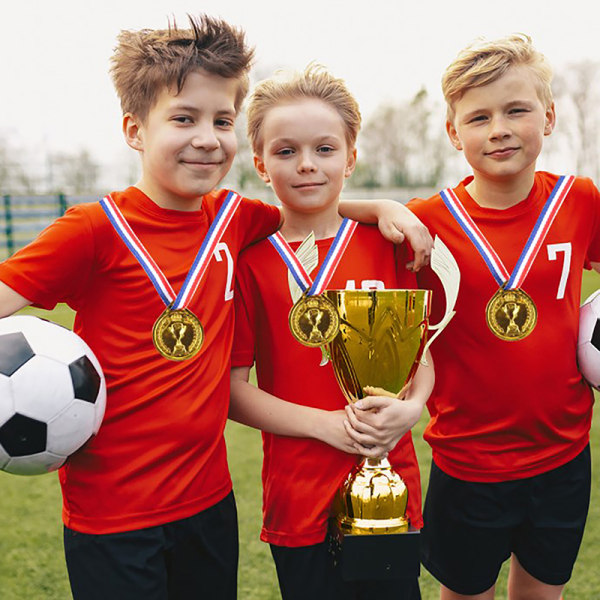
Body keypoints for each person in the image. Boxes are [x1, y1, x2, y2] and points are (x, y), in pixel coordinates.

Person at [0, 15, 432, 600]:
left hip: (208, 506)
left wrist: (380, 205)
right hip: (113, 513)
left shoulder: (234, 220)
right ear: (134, 130)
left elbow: (309, 203)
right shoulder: (91, 231)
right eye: (184, 118)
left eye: (222, 120)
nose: (207, 137)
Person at [404, 34, 600, 600]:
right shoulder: (424, 221)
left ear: (549, 115)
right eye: (479, 117)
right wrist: (384, 208)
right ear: (452, 132)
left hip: (564, 454)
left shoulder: (580, 200)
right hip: (468, 460)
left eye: (516, 110)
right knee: (466, 594)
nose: (499, 129)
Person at [229, 64, 434, 600]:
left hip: (390, 481)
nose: (306, 166)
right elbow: (231, 389)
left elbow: (419, 356)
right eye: (285, 151)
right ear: (259, 164)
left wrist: (413, 409)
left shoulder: (388, 242)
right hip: (297, 494)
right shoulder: (246, 261)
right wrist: (323, 425)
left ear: (351, 157)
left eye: (324, 149)